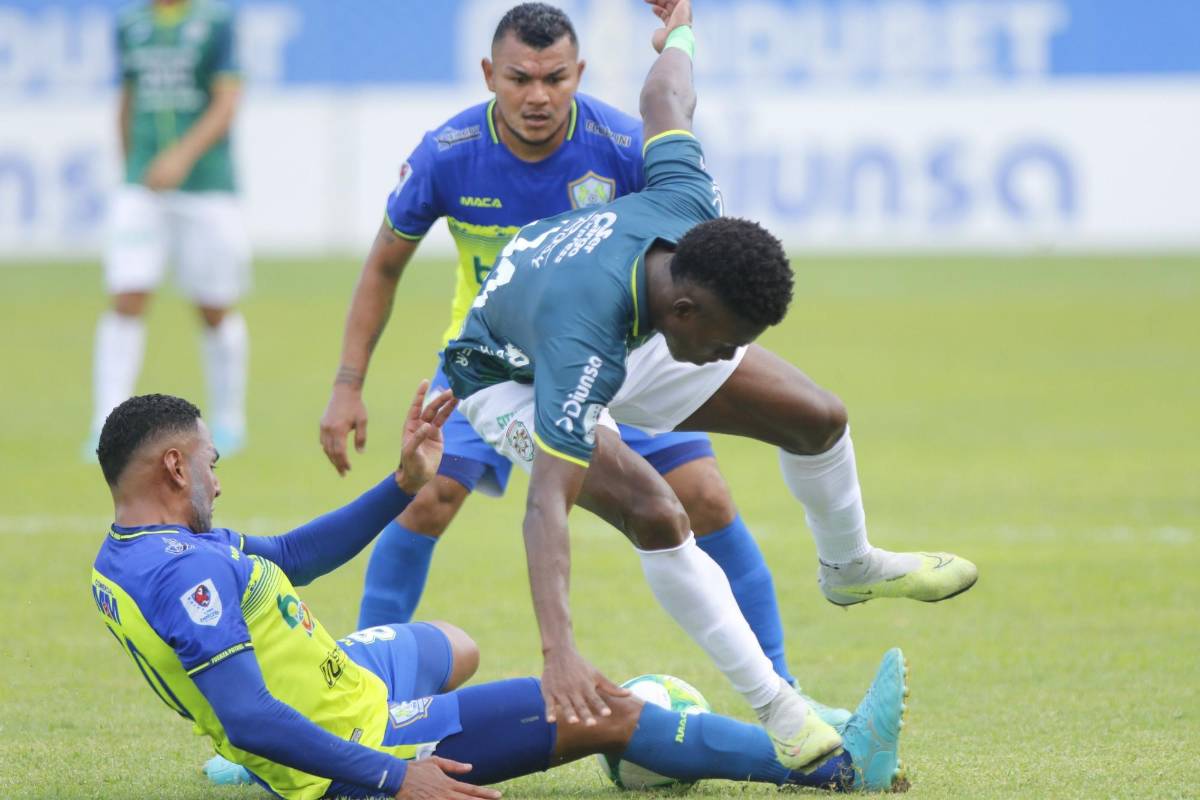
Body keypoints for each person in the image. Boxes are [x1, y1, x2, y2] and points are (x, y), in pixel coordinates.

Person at [442, 0, 978, 771]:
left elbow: (666, 97)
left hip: (634, 324)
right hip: (510, 374)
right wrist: (557, 649)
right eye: (726, 341)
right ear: (688, 308)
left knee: (818, 416)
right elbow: (544, 507)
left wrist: (679, 32)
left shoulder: (689, 207)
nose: (730, 356)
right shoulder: (580, 340)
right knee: (659, 511)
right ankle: (780, 710)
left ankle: (849, 564)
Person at [90, 383, 910, 798]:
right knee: (602, 707)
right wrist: (390, 776)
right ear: (173, 466)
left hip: (333, 693)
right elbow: (247, 713)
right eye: (209, 465)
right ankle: (830, 769)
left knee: (453, 646)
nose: (216, 483)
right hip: (362, 746)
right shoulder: (185, 570)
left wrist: (402, 483)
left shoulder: (134, 553)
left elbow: (292, 557)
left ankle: (268, 761)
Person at [319, 2, 804, 697]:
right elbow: (384, 266)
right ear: (491, 75)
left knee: (707, 498)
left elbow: (686, 251)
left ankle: (786, 688)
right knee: (425, 497)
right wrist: (346, 384)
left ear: (579, 72)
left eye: (555, 78)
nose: (538, 96)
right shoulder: (447, 155)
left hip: (613, 350)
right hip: (491, 362)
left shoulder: (618, 144)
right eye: (520, 78)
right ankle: (356, 701)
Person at [87, 0, 250, 459]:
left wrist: (182, 156)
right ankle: (105, 420)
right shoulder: (131, 24)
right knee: (127, 295)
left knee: (214, 305)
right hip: (142, 187)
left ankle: (230, 418)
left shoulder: (215, 22)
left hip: (206, 186)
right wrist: (130, 168)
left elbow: (226, 101)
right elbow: (128, 98)